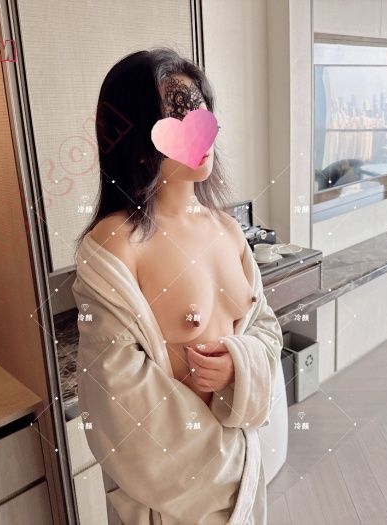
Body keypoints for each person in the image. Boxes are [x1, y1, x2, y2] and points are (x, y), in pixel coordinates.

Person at [72, 47, 287, 524]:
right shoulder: (116, 245)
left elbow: (266, 328)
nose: (199, 129)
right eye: (177, 115)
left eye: (201, 111)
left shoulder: (227, 230)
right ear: (135, 137)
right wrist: (231, 468)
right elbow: (114, 391)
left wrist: (238, 366)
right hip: (176, 500)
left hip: (242, 482)